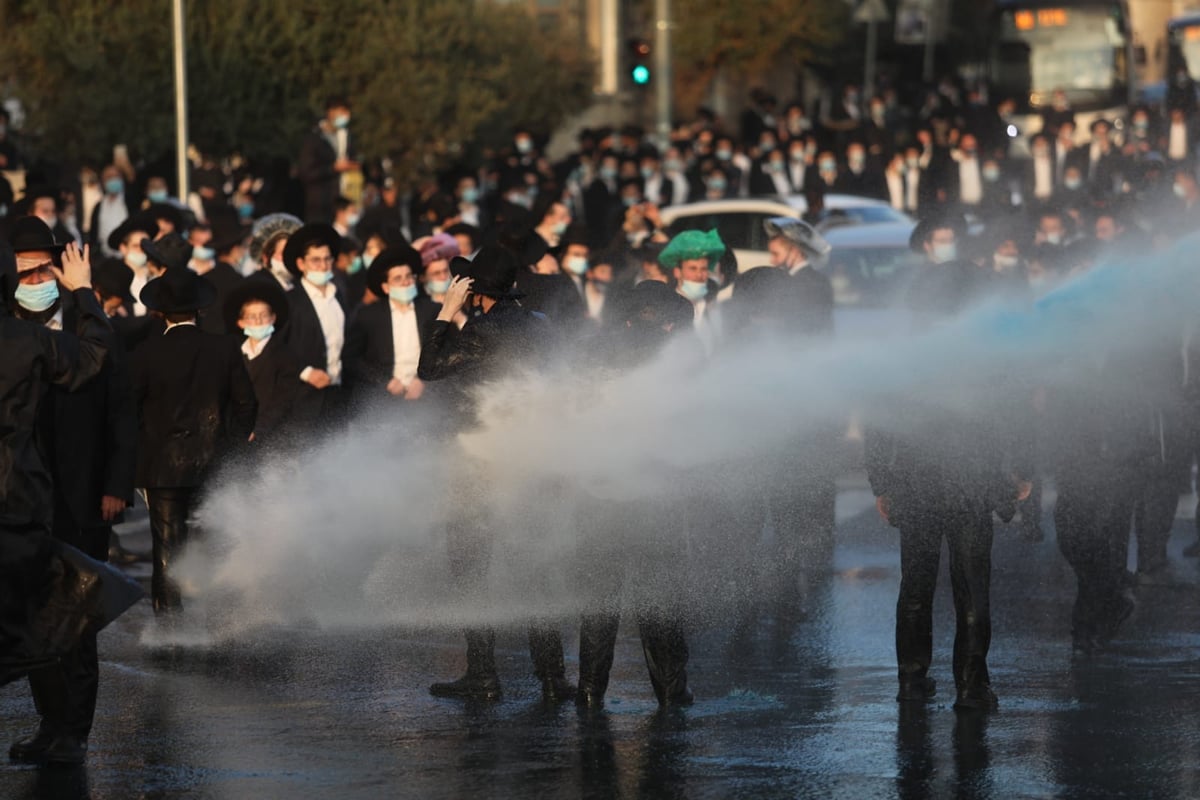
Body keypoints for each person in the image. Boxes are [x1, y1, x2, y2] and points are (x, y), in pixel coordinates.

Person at [867, 213, 1033, 712]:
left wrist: (881, 480)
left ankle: (912, 680)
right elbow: (1013, 409)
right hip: (972, 479)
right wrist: (1020, 470)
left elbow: (880, 416)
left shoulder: (903, 348)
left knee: (916, 586)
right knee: (971, 587)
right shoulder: (990, 346)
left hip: (916, 481)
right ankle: (971, 686)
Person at [417, 245, 571, 702]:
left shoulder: (483, 330)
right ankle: (552, 677)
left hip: (483, 466)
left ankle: (483, 675)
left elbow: (430, 368)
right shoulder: (541, 325)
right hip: (534, 460)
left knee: (471, 568)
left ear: (476, 292)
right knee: (536, 568)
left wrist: (446, 311)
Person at [2, 223, 116, 766]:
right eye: (24, 273)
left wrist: (116, 486)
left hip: (74, 501)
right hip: (23, 507)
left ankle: (72, 732)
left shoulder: (48, 333)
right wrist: (86, 291)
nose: (36, 281)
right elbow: (91, 354)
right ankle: (55, 725)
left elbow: (119, 407)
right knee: (32, 625)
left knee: (74, 618)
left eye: (45, 270)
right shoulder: (25, 338)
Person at [576, 280, 699, 709]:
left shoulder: (593, 353)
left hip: (599, 497)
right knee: (659, 600)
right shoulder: (675, 357)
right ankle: (671, 693)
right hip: (654, 499)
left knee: (599, 602)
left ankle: (591, 692)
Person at [132, 262, 257, 614]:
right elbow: (246, 404)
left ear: (159, 311)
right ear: (200, 308)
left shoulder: (144, 353)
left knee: (167, 545)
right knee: (211, 540)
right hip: (213, 459)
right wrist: (230, 447)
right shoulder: (224, 348)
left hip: (161, 467)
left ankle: (170, 624)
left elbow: (129, 409)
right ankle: (212, 616)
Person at [344, 244, 438, 408]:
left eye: (409, 276)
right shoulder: (368, 316)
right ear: (386, 287)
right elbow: (351, 358)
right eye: (397, 279)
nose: (405, 283)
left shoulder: (431, 310)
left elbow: (442, 351)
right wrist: (384, 381)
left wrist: (424, 380)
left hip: (425, 398)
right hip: (382, 399)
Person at [281, 223, 349, 427]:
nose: (323, 265)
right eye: (316, 260)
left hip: (337, 398)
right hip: (303, 401)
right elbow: (276, 346)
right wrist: (305, 371)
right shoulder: (289, 301)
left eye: (327, 259)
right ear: (301, 264)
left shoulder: (339, 295)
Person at [224, 274, 302, 449]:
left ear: (273, 318)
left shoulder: (285, 355)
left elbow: (283, 400)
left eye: (263, 315)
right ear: (241, 322)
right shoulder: (233, 354)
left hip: (271, 437)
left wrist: (258, 428)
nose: (258, 321)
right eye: (252, 317)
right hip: (236, 436)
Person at [299, 96, 358, 224]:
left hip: (343, 201)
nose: (346, 116)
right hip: (320, 204)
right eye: (342, 111)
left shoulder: (346, 136)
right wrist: (333, 168)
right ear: (331, 112)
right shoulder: (314, 138)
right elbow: (306, 172)